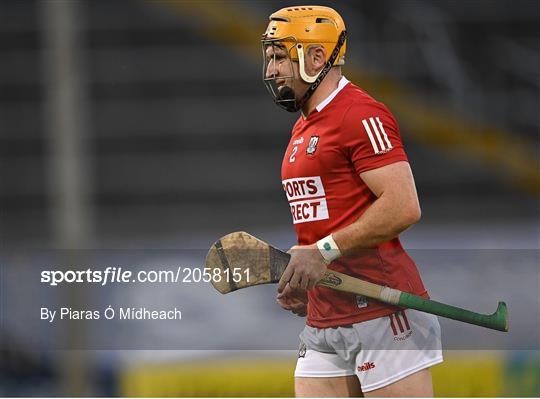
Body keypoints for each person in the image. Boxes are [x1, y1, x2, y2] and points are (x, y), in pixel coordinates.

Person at [262, 5, 443, 397]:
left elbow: (403, 205)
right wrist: (307, 278)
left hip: (380, 310)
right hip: (325, 316)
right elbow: (321, 224)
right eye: (270, 57)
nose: (271, 70)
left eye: (280, 56)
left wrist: (322, 252)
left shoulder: (360, 114)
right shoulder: (303, 126)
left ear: (315, 57)